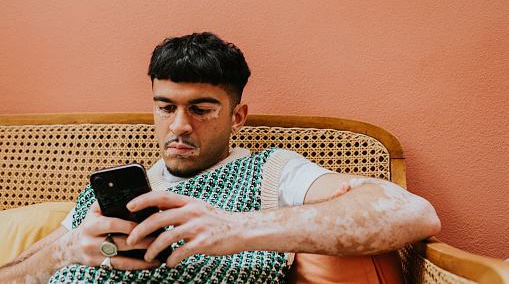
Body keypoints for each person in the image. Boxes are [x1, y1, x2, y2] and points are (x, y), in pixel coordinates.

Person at [0, 32, 441, 283]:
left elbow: (411, 213)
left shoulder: (271, 171)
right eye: (166, 107)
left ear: (237, 116)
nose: (178, 126)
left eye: (201, 109)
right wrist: (68, 249)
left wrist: (235, 227)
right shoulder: (109, 189)